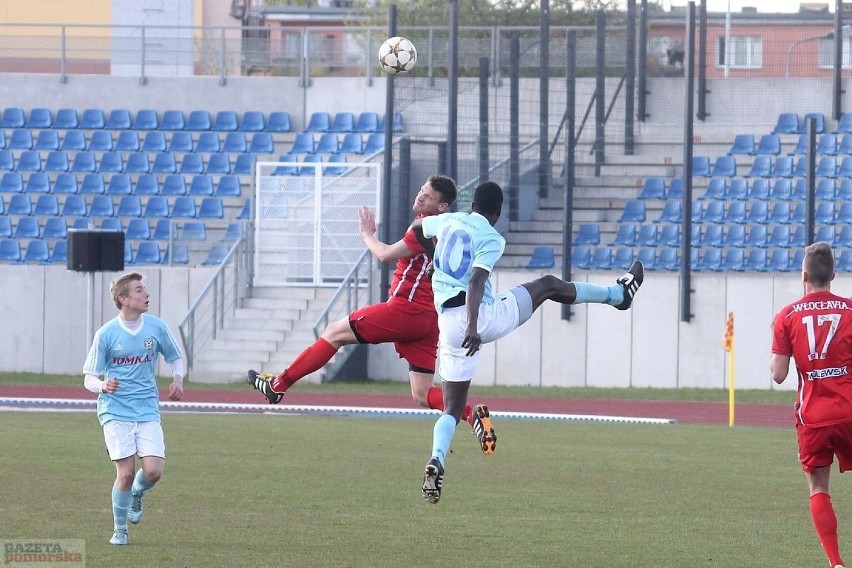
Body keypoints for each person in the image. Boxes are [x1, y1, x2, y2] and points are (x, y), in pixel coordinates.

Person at [412, 181, 644, 504]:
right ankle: (619, 296)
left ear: (472, 204)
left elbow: (419, 228)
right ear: (497, 212)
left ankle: (437, 458)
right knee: (548, 285)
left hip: (447, 322)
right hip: (479, 317)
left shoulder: (449, 221)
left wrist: (435, 258)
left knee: (451, 407)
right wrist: (475, 325)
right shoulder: (492, 237)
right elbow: (477, 279)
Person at [247, 174, 498, 454]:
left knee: (333, 333)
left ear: (442, 207)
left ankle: (278, 385)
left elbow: (385, 255)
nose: (420, 196)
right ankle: (471, 413)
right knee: (421, 393)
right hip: (431, 320)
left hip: (406, 309)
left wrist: (367, 234)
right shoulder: (452, 229)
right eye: (421, 191)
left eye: (428, 196)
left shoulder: (424, 228)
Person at [82, 272, 185, 546]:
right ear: (123, 299)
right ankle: (120, 530)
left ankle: (138, 493)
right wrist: (103, 386)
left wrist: (177, 378)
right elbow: (89, 377)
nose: (146, 294)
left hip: (147, 408)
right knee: (125, 473)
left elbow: (175, 358)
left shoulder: (156, 327)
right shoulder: (106, 334)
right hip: (115, 411)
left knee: (153, 471)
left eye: (145, 290)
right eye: (140, 290)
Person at [771, 241, 852, 568]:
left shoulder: (787, 316)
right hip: (849, 409)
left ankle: (835, 563)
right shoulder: (850, 309)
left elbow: (778, 375)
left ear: (803, 275)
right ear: (833, 274)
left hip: (813, 416)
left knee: (819, 487)